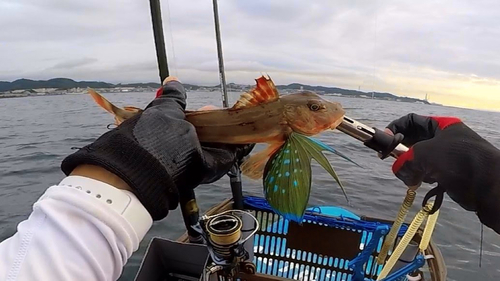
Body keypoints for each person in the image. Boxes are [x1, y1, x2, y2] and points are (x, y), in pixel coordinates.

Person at [0, 77, 498, 280]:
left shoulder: (291, 123)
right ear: (297, 116)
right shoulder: (286, 122)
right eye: (317, 110)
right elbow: (262, 157)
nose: (325, 114)